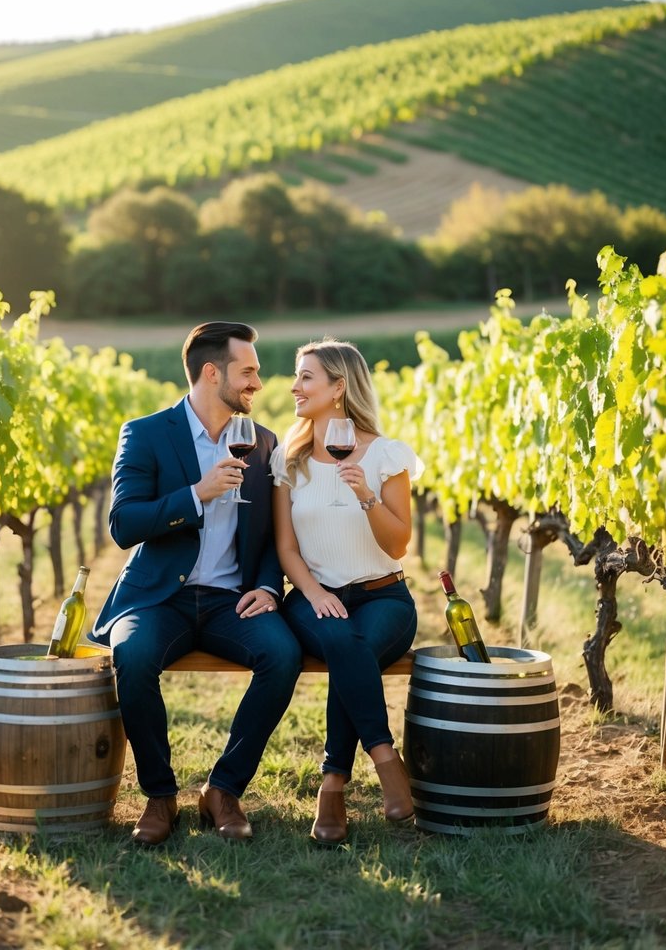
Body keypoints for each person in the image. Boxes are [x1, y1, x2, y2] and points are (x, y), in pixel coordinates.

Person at [90, 321, 302, 846]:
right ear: (212, 373)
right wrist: (195, 495)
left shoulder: (262, 441)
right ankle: (160, 796)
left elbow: (277, 534)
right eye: (248, 371)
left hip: (234, 600)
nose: (258, 382)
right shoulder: (146, 433)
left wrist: (269, 588)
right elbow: (124, 524)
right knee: (133, 657)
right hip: (161, 596)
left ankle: (224, 789)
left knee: (283, 655)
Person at [271, 338, 422, 845]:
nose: (295, 386)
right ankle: (384, 758)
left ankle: (332, 785)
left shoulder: (386, 454)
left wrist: (365, 495)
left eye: (306, 376)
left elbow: (398, 545)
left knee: (350, 648)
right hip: (315, 596)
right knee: (344, 643)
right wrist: (313, 594)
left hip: (384, 598)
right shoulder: (287, 461)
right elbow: (286, 548)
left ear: (339, 387)